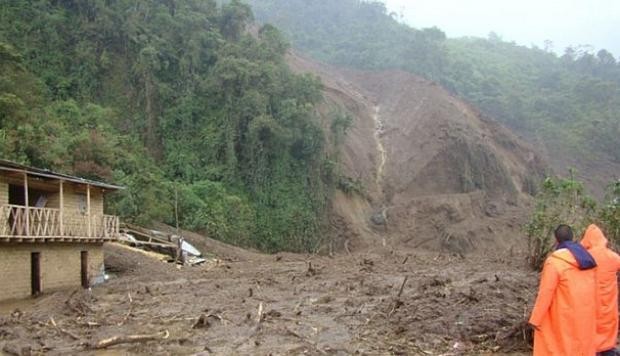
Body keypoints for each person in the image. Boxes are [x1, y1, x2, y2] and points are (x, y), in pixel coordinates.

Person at [529, 224, 598, 356]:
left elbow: (546, 293)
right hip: (586, 314)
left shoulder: (554, 262)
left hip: (564, 315)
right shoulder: (587, 260)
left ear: (556, 240)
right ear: (573, 238)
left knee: (560, 346)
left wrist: (535, 319)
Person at [581, 224, 620, 356]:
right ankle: (608, 349)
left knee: (590, 328)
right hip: (609, 304)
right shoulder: (614, 257)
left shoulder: (583, 257)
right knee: (608, 329)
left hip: (589, 303)